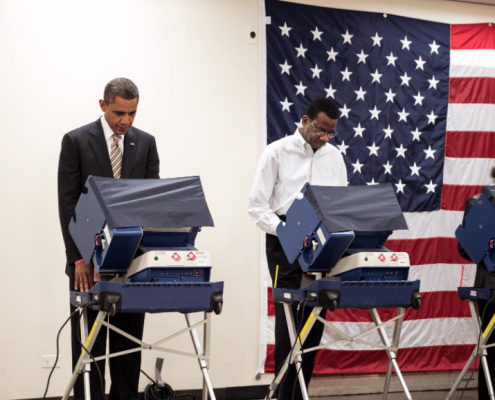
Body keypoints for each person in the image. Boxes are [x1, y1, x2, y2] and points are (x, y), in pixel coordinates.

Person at [58, 77, 160, 400]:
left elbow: (149, 203)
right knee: (89, 350)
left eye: (132, 113)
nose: (125, 121)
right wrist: (79, 259)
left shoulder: (145, 143)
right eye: (119, 113)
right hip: (87, 264)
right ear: (103, 106)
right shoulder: (76, 141)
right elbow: (68, 204)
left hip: (131, 263)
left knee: (128, 350)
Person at [248, 98, 347, 400]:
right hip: (284, 240)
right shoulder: (276, 151)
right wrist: (285, 231)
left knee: (315, 319)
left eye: (331, 132)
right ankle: (282, 394)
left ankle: (301, 393)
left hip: (323, 241)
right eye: (320, 130)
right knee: (288, 322)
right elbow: (257, 207)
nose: (325, 138)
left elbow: (340, 204)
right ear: (305, 121)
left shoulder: (334, 157)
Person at [458, 191, 495, 400]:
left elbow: (463, 248)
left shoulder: (477, 203)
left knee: (490, 348)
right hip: (489, 289)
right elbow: (464, 248)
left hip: (489, 288)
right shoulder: (477, 204)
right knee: (490, 349)